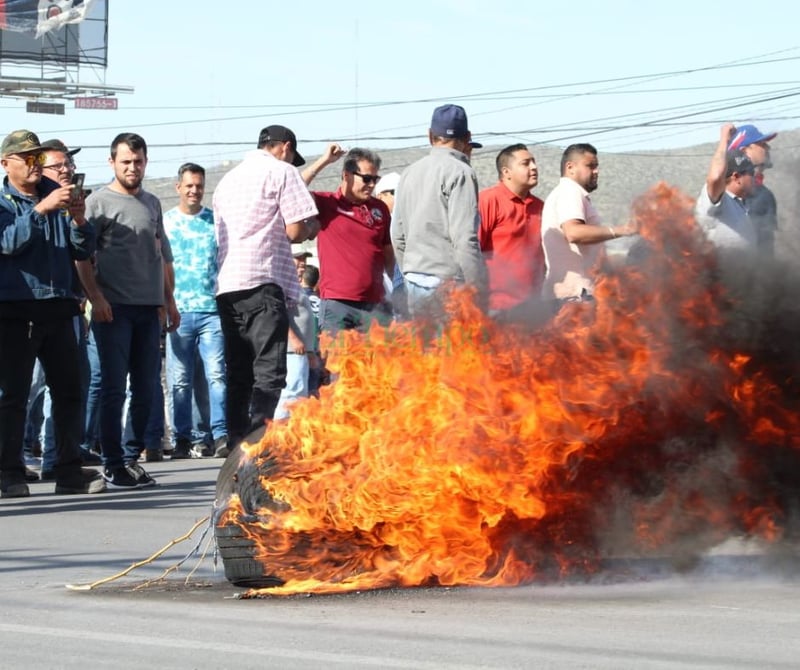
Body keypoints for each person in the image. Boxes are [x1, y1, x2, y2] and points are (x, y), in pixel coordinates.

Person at [0, 129, 105, 498]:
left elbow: (81, 251)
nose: (34, 165)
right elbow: (7, 243)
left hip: (60, 305)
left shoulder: (54, 196)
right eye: (26, 158)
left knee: (69, 391)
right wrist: (41, 210)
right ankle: (9, 472)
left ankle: (68, 469)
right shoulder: (4, 202)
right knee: (14, 394)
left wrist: (78, 219)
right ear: (5, 163)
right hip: (16, 309)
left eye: (37, 158)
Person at [76, 132, 180, 489]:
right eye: (125, 162)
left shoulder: (152, 203)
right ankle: (113, 462)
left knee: (147, 388)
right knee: (113, 388)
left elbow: (161, 255)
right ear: (112, 163)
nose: (132, 167)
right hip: (113, 310)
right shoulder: (97, 203)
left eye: (138, 161)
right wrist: (96, 298)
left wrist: (168, 301)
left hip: (149, 310)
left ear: (145, 162)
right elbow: (82, 259)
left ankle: (131, 458)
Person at [212, 124, 319, 457]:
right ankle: (257, 446)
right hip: (262, 279)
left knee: (239, 371)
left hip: (229, 283)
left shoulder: (226, 181)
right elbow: (296, 227)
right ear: (285, 147)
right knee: (270, 371)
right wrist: (311, 227)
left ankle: (234, 444)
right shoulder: (282, 172)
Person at [391, 104, 488, 315]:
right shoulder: (461, 172)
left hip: (414, 279)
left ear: (430, 136)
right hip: (448, 284)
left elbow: (397, 235)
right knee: (452, 347)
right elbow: (464, 239)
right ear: (468, 137)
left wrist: (410, 269)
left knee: (424, 347)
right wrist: (477, 288)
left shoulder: (409, 172)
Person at [163, 162, 227, 460]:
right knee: (180, 379)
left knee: (216, 375)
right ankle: (182, 438)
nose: (194, 190)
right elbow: (158, 265)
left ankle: (219, 434)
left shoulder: (215, 221)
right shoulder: (166, 222)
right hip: (178, 311)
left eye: (199, 186)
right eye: (189, 185)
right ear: (178, 187)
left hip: (211, 310)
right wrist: (164, 303)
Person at [302, 146, 394, 334]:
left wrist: (393, 291)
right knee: (336, 363)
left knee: (381, 363)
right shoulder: (326, 203)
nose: (371, 185)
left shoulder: (380, 208)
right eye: (366, 179)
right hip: (338, 305)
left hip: (375, 306)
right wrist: (324, 160)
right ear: (346, 175)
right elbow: (293, 187)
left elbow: (388, 253)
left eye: (375, 179)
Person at [541, 143, 637, 302]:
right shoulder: (569, 192)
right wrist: (624, 230)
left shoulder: (572, 193)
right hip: (573, 297)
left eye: (597, 166)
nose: (596, 171)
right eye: (590, 166)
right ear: (570, 167)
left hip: (576, 295)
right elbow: (573, 233)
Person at [478, 143, 546, 321]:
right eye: (525, 163)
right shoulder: (488, 201)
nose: (534, 167)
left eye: (534, 162)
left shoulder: (540, 206)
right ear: (506, 172)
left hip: (533, 307)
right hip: (496, 308)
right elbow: (472, 252)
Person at [694, 124, 757, 251]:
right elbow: (716, 177)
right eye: (751, 174)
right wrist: (724, 140)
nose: (755, 179)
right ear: (736, 178)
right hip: (718, 270)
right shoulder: (718, 200)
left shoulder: (743, 205)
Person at [727, 124, 778, 256]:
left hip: (761, 273)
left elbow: (767, 248)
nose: (768, 148)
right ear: (744, 151)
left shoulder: (765, 194)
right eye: (761, 143)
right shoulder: (727, 194)